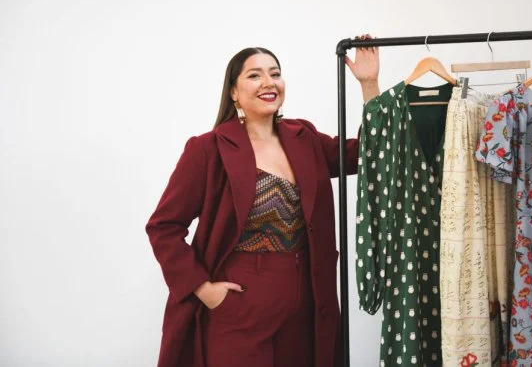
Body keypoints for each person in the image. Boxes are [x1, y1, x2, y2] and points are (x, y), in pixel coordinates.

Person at [146, 36, 379, 367]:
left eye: (275, 73)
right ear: (233, 91)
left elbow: (368, 156)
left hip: (306, 296)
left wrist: (369, 84)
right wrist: (202, 289)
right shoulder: (208, 149)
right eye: (254, 75)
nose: (269, 82)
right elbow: (163, 226)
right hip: (238, 298)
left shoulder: (305, 138)